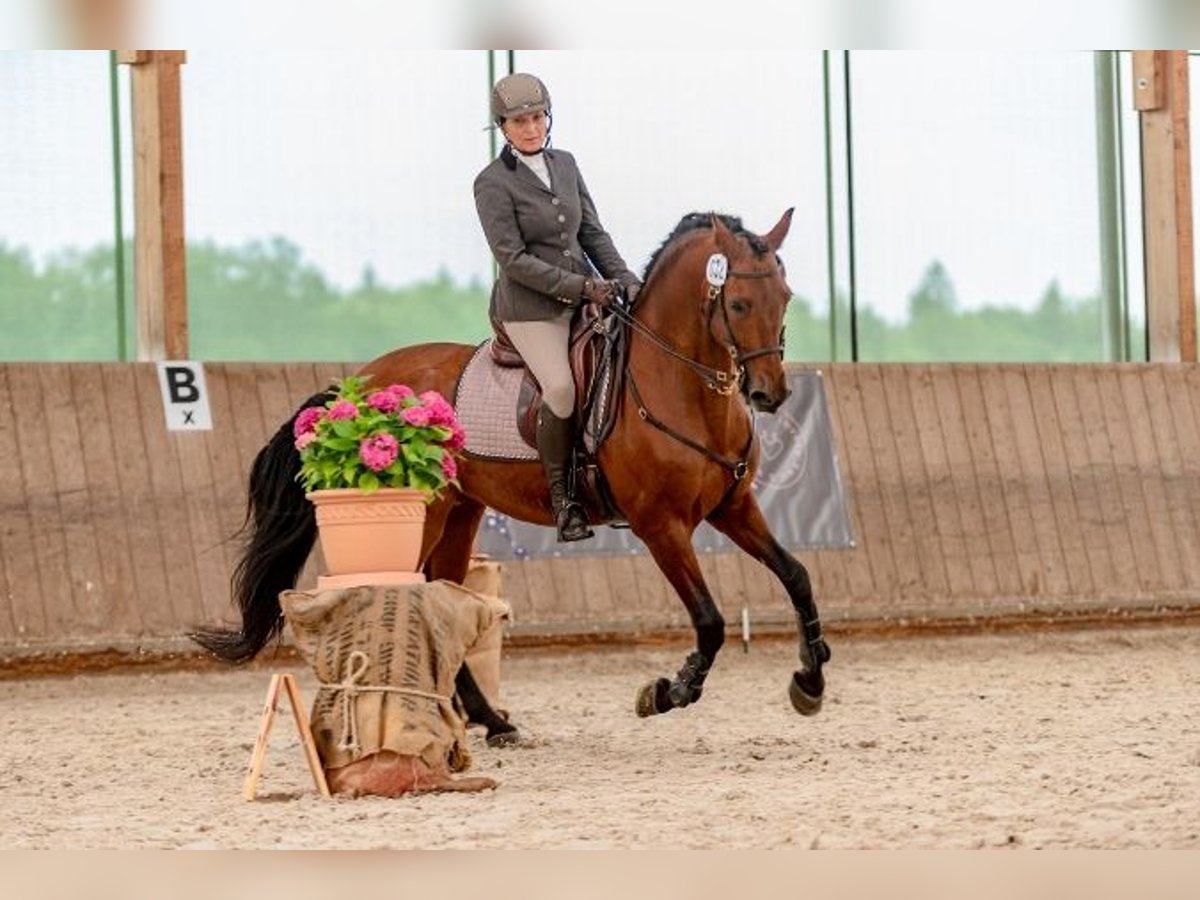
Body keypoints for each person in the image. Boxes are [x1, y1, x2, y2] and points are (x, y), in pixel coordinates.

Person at [474, 72, 641, 543]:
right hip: (530, 308)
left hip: (589, 293)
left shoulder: (565, 164)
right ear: (503, 127)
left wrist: (626, 280)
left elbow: (592, 233)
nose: (531, 128)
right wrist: (586, 287)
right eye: (520, 121)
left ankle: (619, 481)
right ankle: (564, 498)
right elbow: (513, 259)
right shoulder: (490, 184)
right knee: (563, 389)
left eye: (538, 117)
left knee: (626, 363)